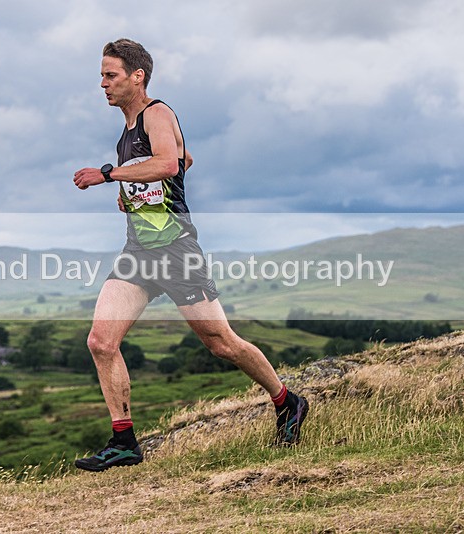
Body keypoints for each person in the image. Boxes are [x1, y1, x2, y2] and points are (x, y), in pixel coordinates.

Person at [72, 38, 308, 472]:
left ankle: (287, 401)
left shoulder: (156, 113)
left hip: (177, 250)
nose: (102, 84)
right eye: (102, 75)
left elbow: (168, 163)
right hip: (139, 251)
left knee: (222, 344)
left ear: (137, 76)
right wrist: (135, 194)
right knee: (100, 341)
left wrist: (110, 175)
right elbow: (184, 159)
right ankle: (124, 441)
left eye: (111, 75)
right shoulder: (125, 133)